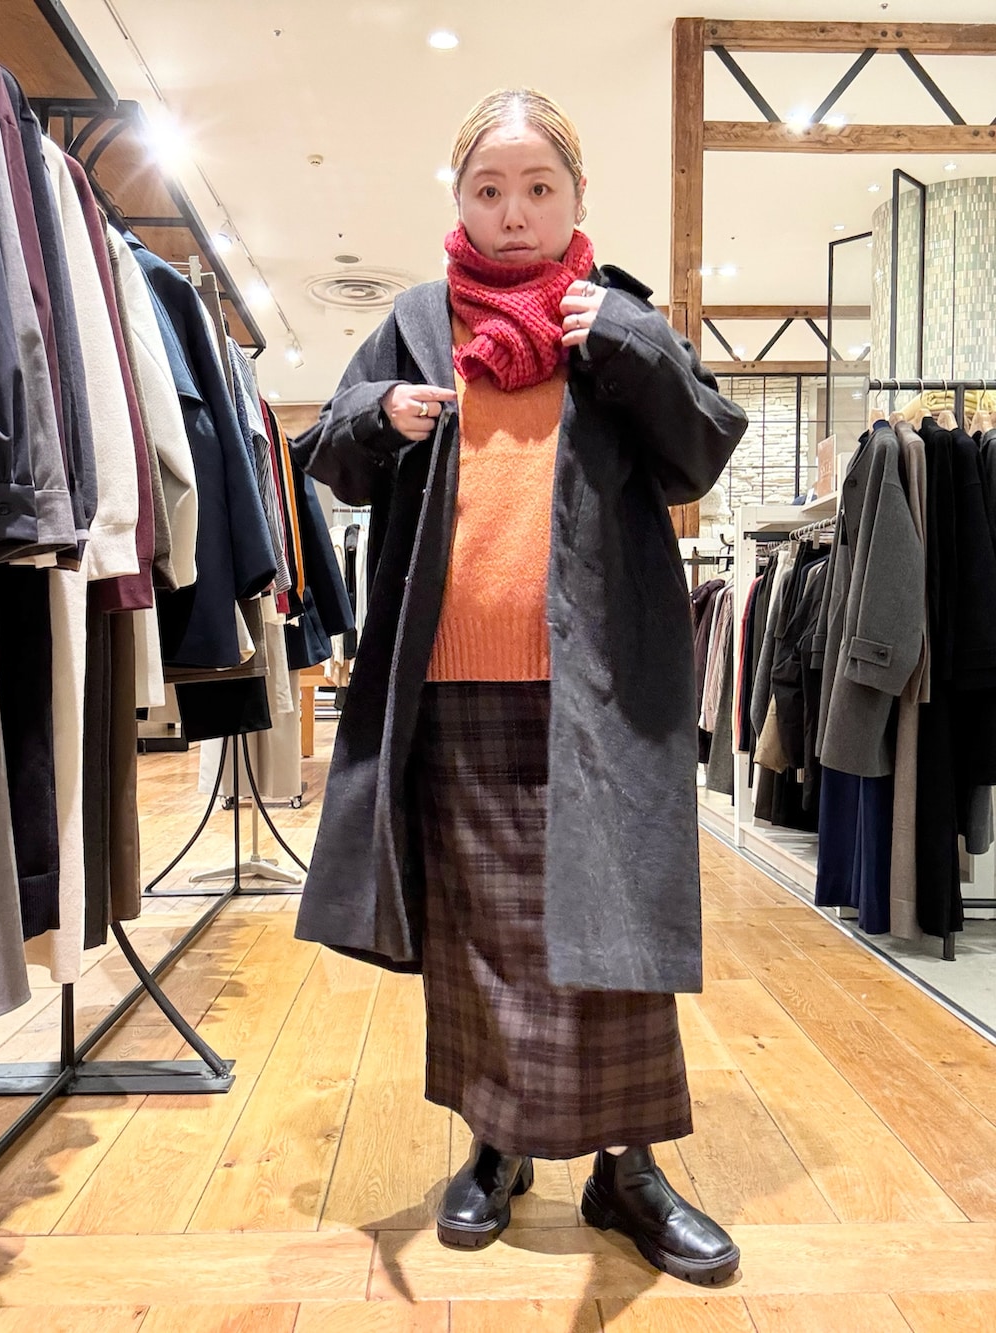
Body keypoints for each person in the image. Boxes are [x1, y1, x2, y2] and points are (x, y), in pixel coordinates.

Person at [293, 88, 748, 1286]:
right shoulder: (413, 321)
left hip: (605, 691)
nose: (513, 212)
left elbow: (699, 451)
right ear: (457, 199)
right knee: (479, 935)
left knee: (616, 927)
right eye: (488, 189)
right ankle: (496, 1147)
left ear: (576, 196)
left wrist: (630, 345)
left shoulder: (620, 313)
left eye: (538, 187)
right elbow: (327, 456)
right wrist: (378, 414)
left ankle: (628, 1170)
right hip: (451, 687)